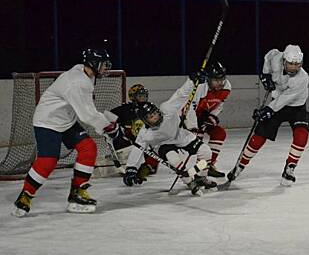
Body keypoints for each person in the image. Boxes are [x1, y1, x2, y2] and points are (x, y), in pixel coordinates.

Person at [12, 48, 122, 217]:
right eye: (103, 65)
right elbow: (87, 115)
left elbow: (87, 110)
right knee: (48, 161)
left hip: (66, 120)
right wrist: (109, 127)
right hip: (47, 121)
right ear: (92, 64)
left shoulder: (86, 74)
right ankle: (25, 196)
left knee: (89, 148)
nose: (105, 69)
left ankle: (77, 193)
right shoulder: (77, 82)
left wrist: (105, 125)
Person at [226, 44, 309, 186]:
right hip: (276, 102)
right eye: (291, 64)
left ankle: (290, 168)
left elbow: (284, 99)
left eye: (297, 65)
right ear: (284, 60)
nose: (294, 68)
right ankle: (240, 165)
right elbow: (269, 55)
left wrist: (268, 110)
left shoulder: (303, 78)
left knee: (301, 136)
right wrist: (265, 74)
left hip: (296, 106)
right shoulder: (276, 58)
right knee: (259, 136)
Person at [122, 72, 217, 195]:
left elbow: (181, 95)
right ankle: (189, 181)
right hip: (164, 145)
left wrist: (191, 81)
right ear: (145, 121)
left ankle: (201, 177)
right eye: (151, 117)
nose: (155, 116)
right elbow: (138, 149)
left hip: (180, 136)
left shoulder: (166, 109)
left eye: (155, 113)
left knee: (206, 152)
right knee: (175, 160)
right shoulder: (145, 133)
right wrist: (131, 168)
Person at [190, 62, 231, 178]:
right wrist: (194, 127)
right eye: (216, 80)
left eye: (222, 79)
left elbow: (220, 104)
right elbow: (189, 109)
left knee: (219, 133)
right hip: (188, 118)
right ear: (208, 79)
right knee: (194, 142)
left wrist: (212, 116)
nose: (220, 83)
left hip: (203, 116)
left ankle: (206, 166)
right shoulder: (200, 86)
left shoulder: (226, 87)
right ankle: (191, 169)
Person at [109, 83, 159, 177]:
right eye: (140, 96)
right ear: (133, 97)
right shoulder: (124, 109)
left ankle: (142, 166)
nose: (143, 98)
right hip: (127, 145)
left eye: (145, 96)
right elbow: (108, 116)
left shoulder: (150, 109)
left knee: (153, 164)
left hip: (142, 145)